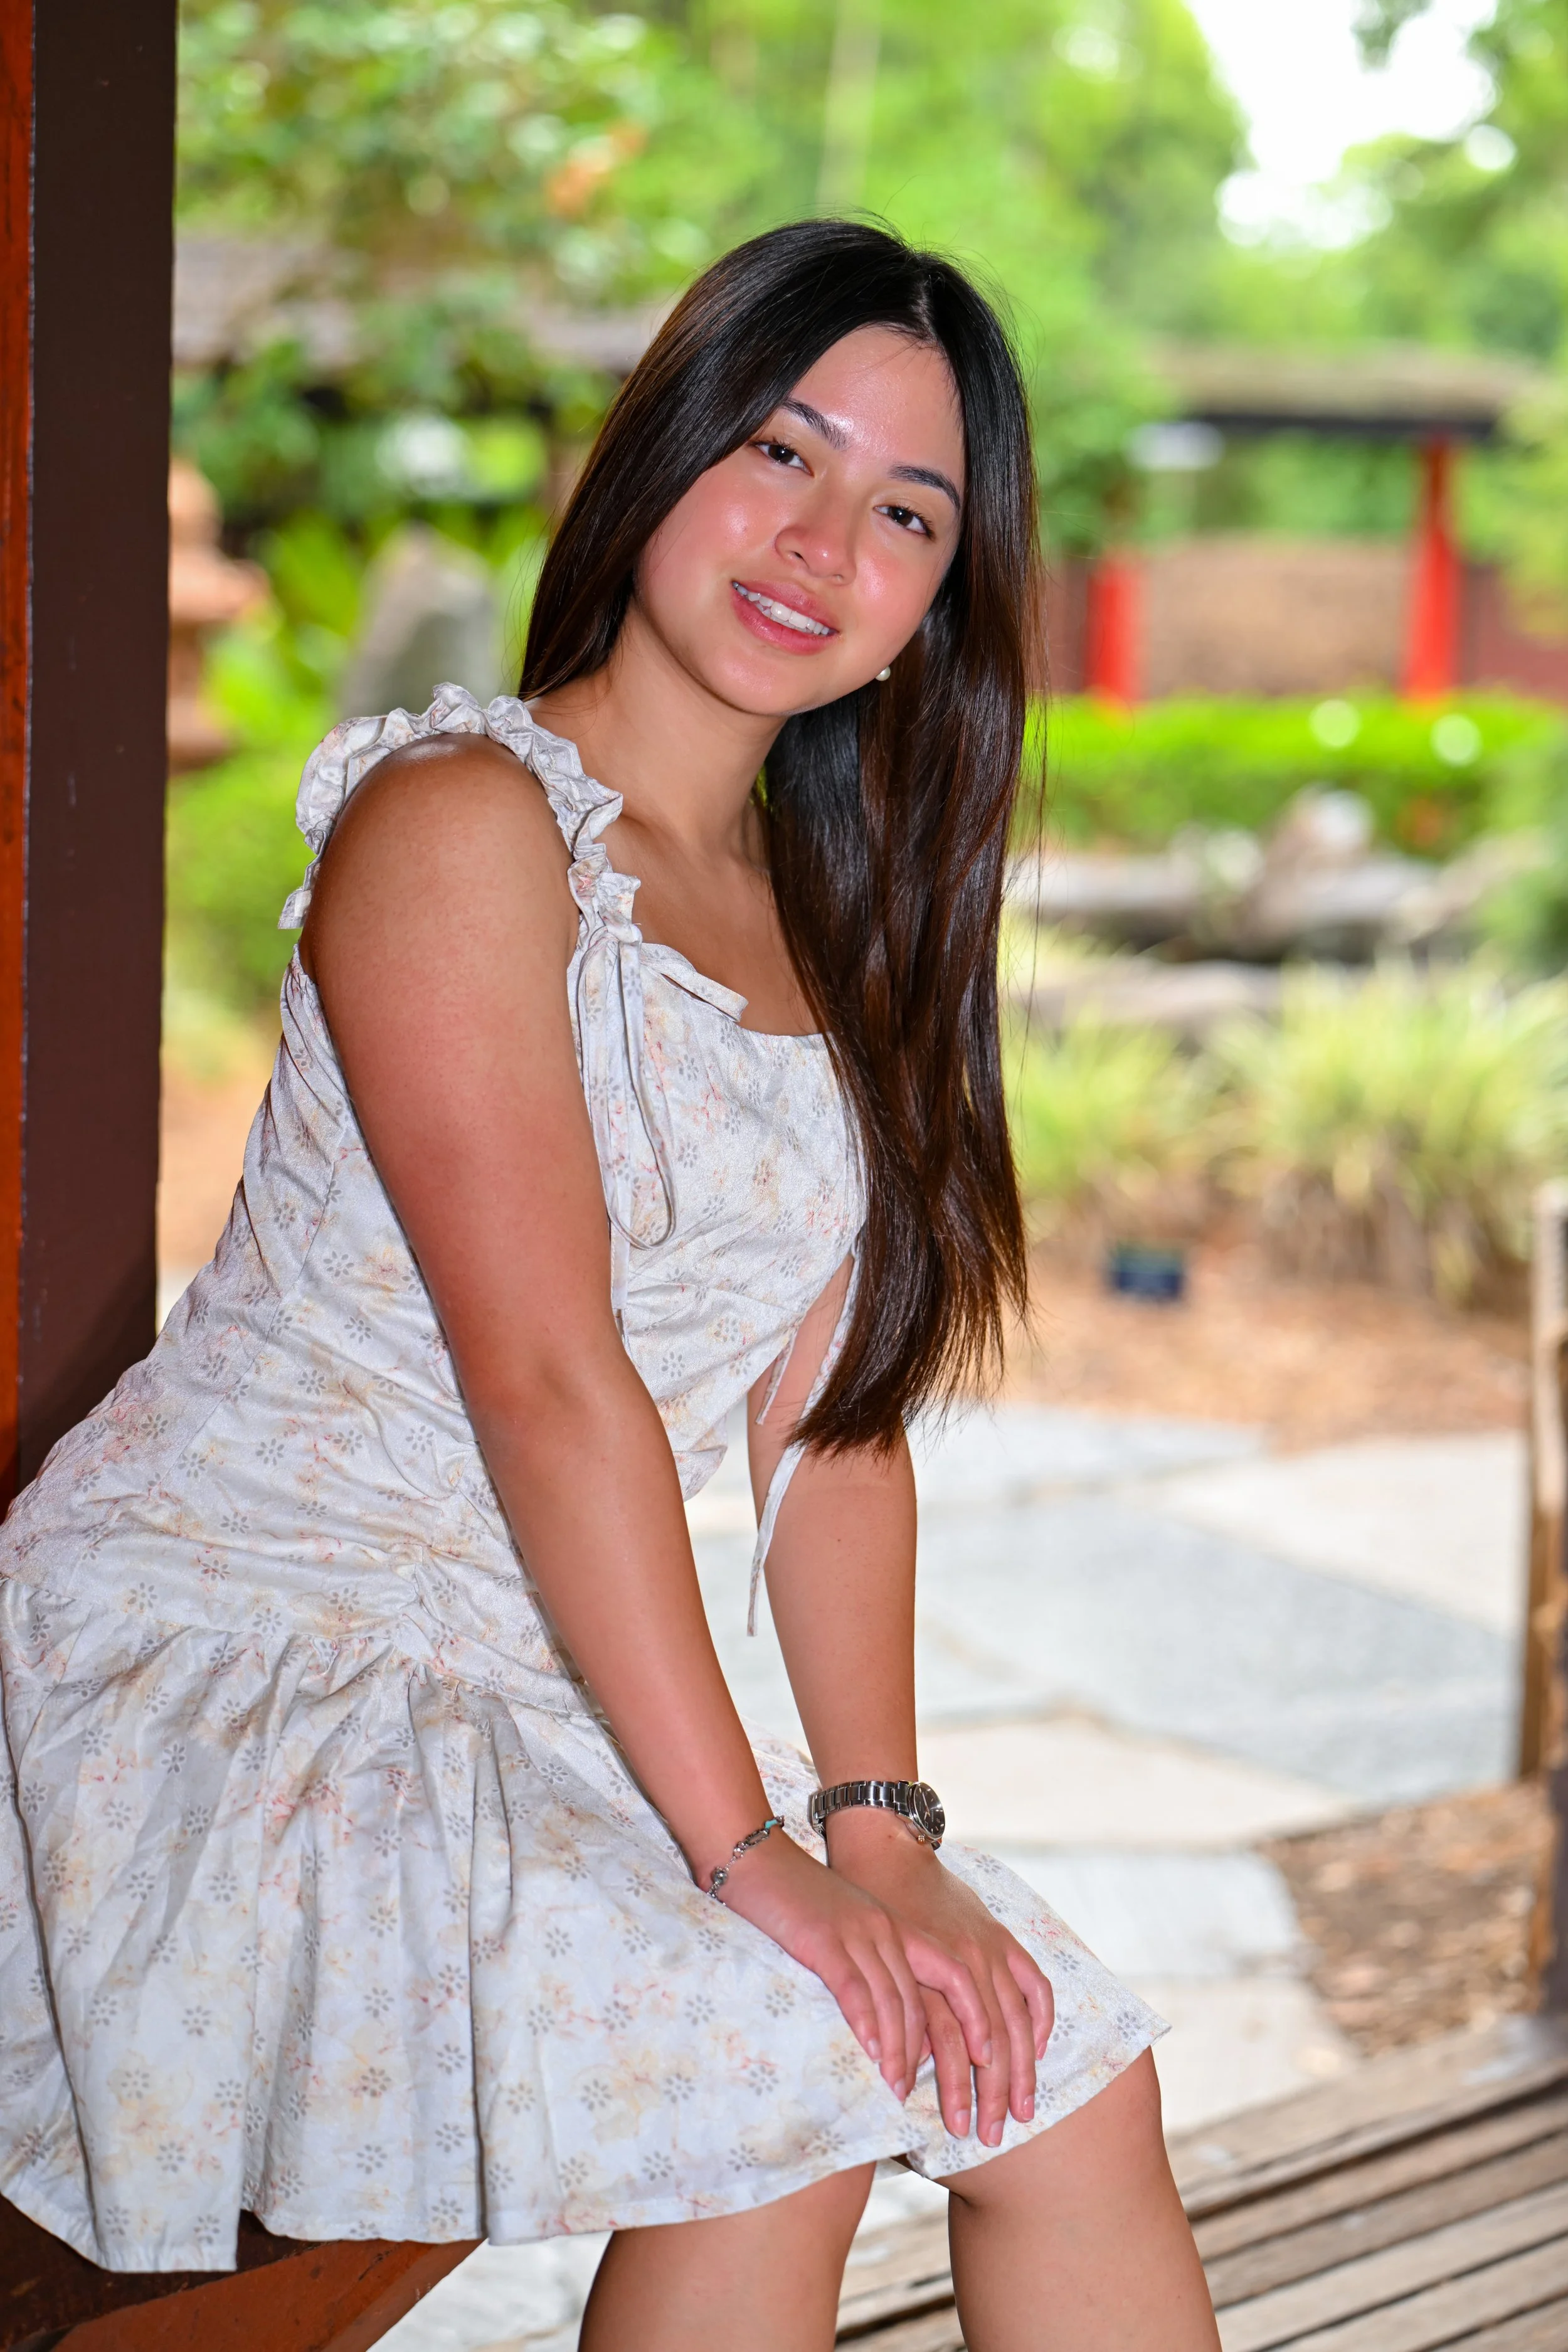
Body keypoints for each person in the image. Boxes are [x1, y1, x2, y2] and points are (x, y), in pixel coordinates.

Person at [0, 220, 1218, 2350]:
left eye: (905, 511)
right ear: (662, 450)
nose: (820, 539)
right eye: (778, 448)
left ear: (938, 603)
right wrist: (753, 1859)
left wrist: (883, 1831)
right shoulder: (463, 821)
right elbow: (552, 1383)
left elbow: (832, 1440)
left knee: (1061, 2079)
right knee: (789, 2076)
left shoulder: (831, 927)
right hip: (251, 1649)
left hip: (525, 1675)